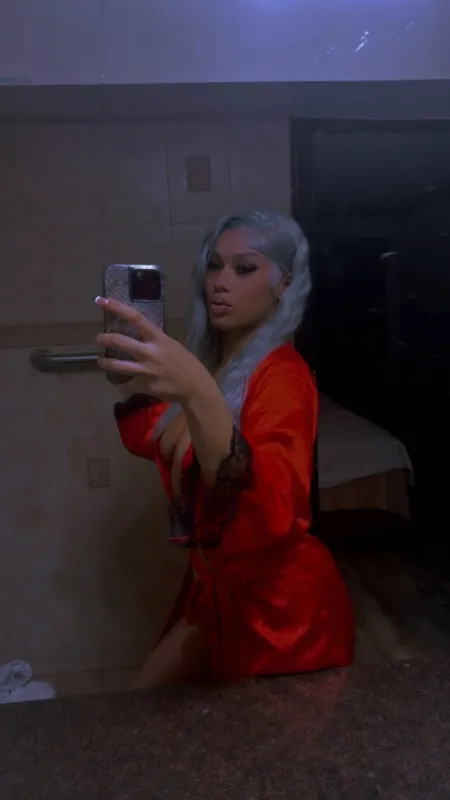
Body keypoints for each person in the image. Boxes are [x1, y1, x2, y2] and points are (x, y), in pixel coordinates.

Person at [95, 209, 355, 688]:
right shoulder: (220, 367)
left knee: (264, 741)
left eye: (245, 268)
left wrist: (196, 392)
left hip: (280, 612)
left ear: (284, 284)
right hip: (215, 594)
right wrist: (138, 379)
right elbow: (162, 439)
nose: (220, 281)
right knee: (139, 711)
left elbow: (272, 512)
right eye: (215, 265)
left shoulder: (282, 376)